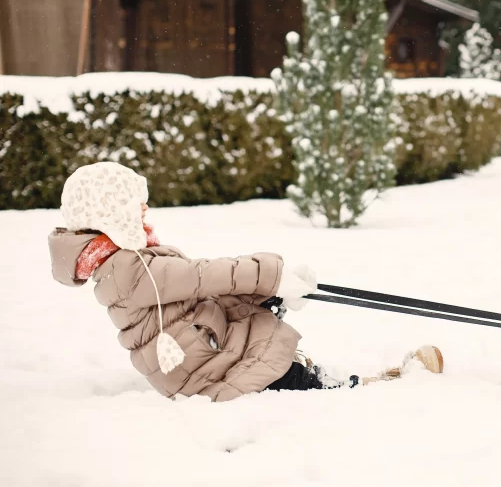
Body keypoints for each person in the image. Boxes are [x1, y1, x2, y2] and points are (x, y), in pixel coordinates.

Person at [48, 161, 443, 402]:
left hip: (199, 354)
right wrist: (272, 273)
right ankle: (378, 390)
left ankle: (324, 378)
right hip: (207, 370)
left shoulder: (121, 264)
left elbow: (196, 296)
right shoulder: (128, 268)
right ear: (110, 213)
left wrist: (267, 290)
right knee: (288, 380)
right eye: (135, 204)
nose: (145, 209)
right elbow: (202, 276)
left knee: (260, 322)